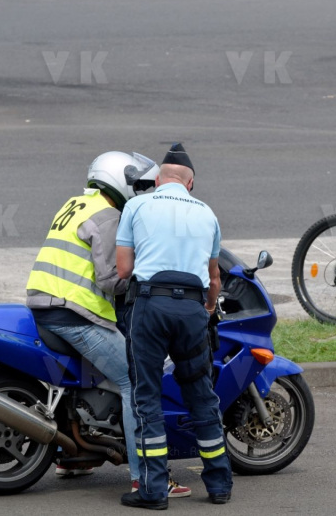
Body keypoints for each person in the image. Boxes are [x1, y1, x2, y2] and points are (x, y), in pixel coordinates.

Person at [25, 151, 191, 498]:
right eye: (139, 184)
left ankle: (75, 457)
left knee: (90, 381)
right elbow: (110, 279)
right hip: (74, 313)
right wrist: (148, 283)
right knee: (134, 381)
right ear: (122, 181)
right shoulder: (108, 216)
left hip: (46, 305)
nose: (141, 191)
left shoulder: (76, 204)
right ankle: (145, 476)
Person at [116, 143, 232, 510]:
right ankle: (219, 485)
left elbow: (122, 270)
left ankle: (152, 490)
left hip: (150, 306)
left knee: (146, 397)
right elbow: (214, 279)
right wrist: (207, 308)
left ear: (157, 178)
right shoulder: (207, 214)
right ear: (190, 182)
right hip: (192, 310)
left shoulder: (137, 205)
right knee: (201, 396)